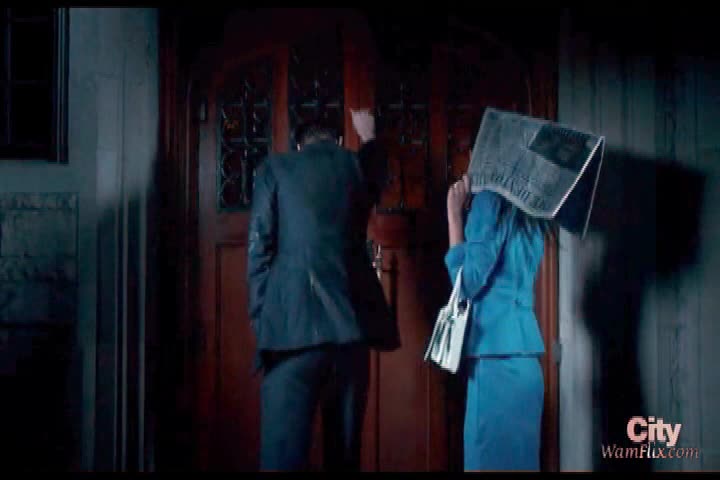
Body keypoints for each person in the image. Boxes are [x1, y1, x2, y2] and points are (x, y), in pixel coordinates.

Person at [247, 110, 399, 471]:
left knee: (282, 458)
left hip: (289, 333)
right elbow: (380, 177)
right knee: (343, 457)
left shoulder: (275, 169)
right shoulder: (355, 167)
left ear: (299, 145)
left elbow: (259, 250)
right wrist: (369, 136)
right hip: (350, 330)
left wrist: (264, 322)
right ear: (339, 142)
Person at [444, 173, 549, 471]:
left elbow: (465, 284)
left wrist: (454, 217)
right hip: (526, 362)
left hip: (494, 359)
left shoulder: (490, 200)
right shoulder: (532, 205)